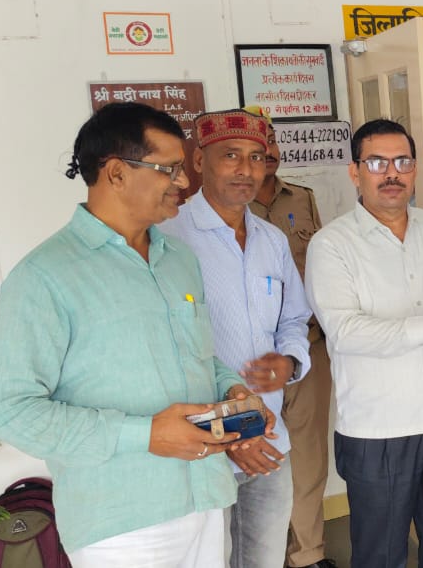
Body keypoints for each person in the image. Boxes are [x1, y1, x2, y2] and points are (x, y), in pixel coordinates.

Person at [0, 102, 266, 566]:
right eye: (169, 169)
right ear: (116, 172)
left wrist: (232, 392)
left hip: (207, 499)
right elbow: (9, 411)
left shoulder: (178, 260)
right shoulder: (45, 276)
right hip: (122, 523)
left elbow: (197, 358)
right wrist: (145, 435)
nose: (184, 182)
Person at [305, 119, 423, 568]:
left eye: (402, 161)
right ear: (355, 172)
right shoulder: (331, 245)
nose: (391, 173)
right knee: (380, 554)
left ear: (415, 169)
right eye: (377, 162)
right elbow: (345, 331)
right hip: (378, 429)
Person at [159, 108, 312, 568]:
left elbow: (294, 318)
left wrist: (289, 361)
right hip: (201, 448)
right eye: (230, 156)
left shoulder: (271, 239)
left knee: (264, 559)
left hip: (269, 438)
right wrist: (234, 433)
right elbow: (169, 349)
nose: (246, 169)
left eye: (256, 157)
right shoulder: (167, 238)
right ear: (198, 162)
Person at [244, 106, 337, 568]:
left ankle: (307, 554)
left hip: (306, 348)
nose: (269, 151)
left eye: (272, 141)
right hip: (247, 360)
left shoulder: (302, 198)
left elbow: (318, 270)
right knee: (250, 455)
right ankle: (260, 553)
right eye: (256, 146)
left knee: (309, 458)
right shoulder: (221, 207)